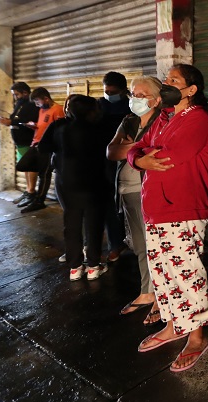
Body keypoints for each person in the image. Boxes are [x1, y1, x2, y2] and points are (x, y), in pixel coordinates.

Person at [128, 64, 208, 372]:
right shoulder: (163, 118)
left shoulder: (199, 120)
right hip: (155, 209)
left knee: (187, 276)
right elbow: (137, 149)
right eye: (166, 79)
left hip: (183, 211)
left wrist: (145, 157)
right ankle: (172, 326)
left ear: (191, 90)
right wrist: (140, 158)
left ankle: (196, 337)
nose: (166, 84)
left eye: (173, 81)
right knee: (163, 274)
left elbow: (166, 158)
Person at [107, 76, 162, 324]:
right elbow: (110, 151)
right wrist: (136, 148)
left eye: (141, 94)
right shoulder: (128, 121)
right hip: (127, 189)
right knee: (140, 244)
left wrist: (130, 147)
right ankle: (147, 292)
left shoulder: (163, 121)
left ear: (156, 98)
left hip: (148, 189)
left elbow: (156, 153)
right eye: (133, 94)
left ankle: (161, 298)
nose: (135, 99)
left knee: (156, 246)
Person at [38, 95, 109, 281]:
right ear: (91, 111)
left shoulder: (59, 127)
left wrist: (59, 150)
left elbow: (43, 147)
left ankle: (75, 267)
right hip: (94, 182)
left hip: (66, 182)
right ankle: (93, 265)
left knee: (71, 223)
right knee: (93, 224)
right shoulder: (100, 129)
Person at [98, 71, 131, 262]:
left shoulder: (132, 106)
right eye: (106, 91)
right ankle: (115, 244)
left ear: (123, 90)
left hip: (128, 159)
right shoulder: (98, 106)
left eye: (113, 91)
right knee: (110, 205)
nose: (109, 94)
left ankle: (132, 241)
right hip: (105, 162)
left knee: (130, 205)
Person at [19, 87, 65, 213]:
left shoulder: (58, 109)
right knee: (23, 165)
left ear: (46, 98)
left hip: (46, 147)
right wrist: (34, 126)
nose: (37, 104)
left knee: (44, 174)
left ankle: (39, 201)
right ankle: (32, 194)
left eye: (38, 101)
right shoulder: (42, 110)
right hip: (35, 144)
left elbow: (60, 130)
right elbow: (43, 126)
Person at [0, 82, 39, 204]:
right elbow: (16, 119)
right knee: (26, 166)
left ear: (25, 93)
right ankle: (28, 191)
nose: (15, 97)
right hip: (20, 142)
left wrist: (11, 122)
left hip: (28, 141)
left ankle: (31, 192)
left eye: (17, 94)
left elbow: (29, 121)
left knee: (31, 166)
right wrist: (7, 120)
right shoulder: (20, 104)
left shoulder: (32, 105)